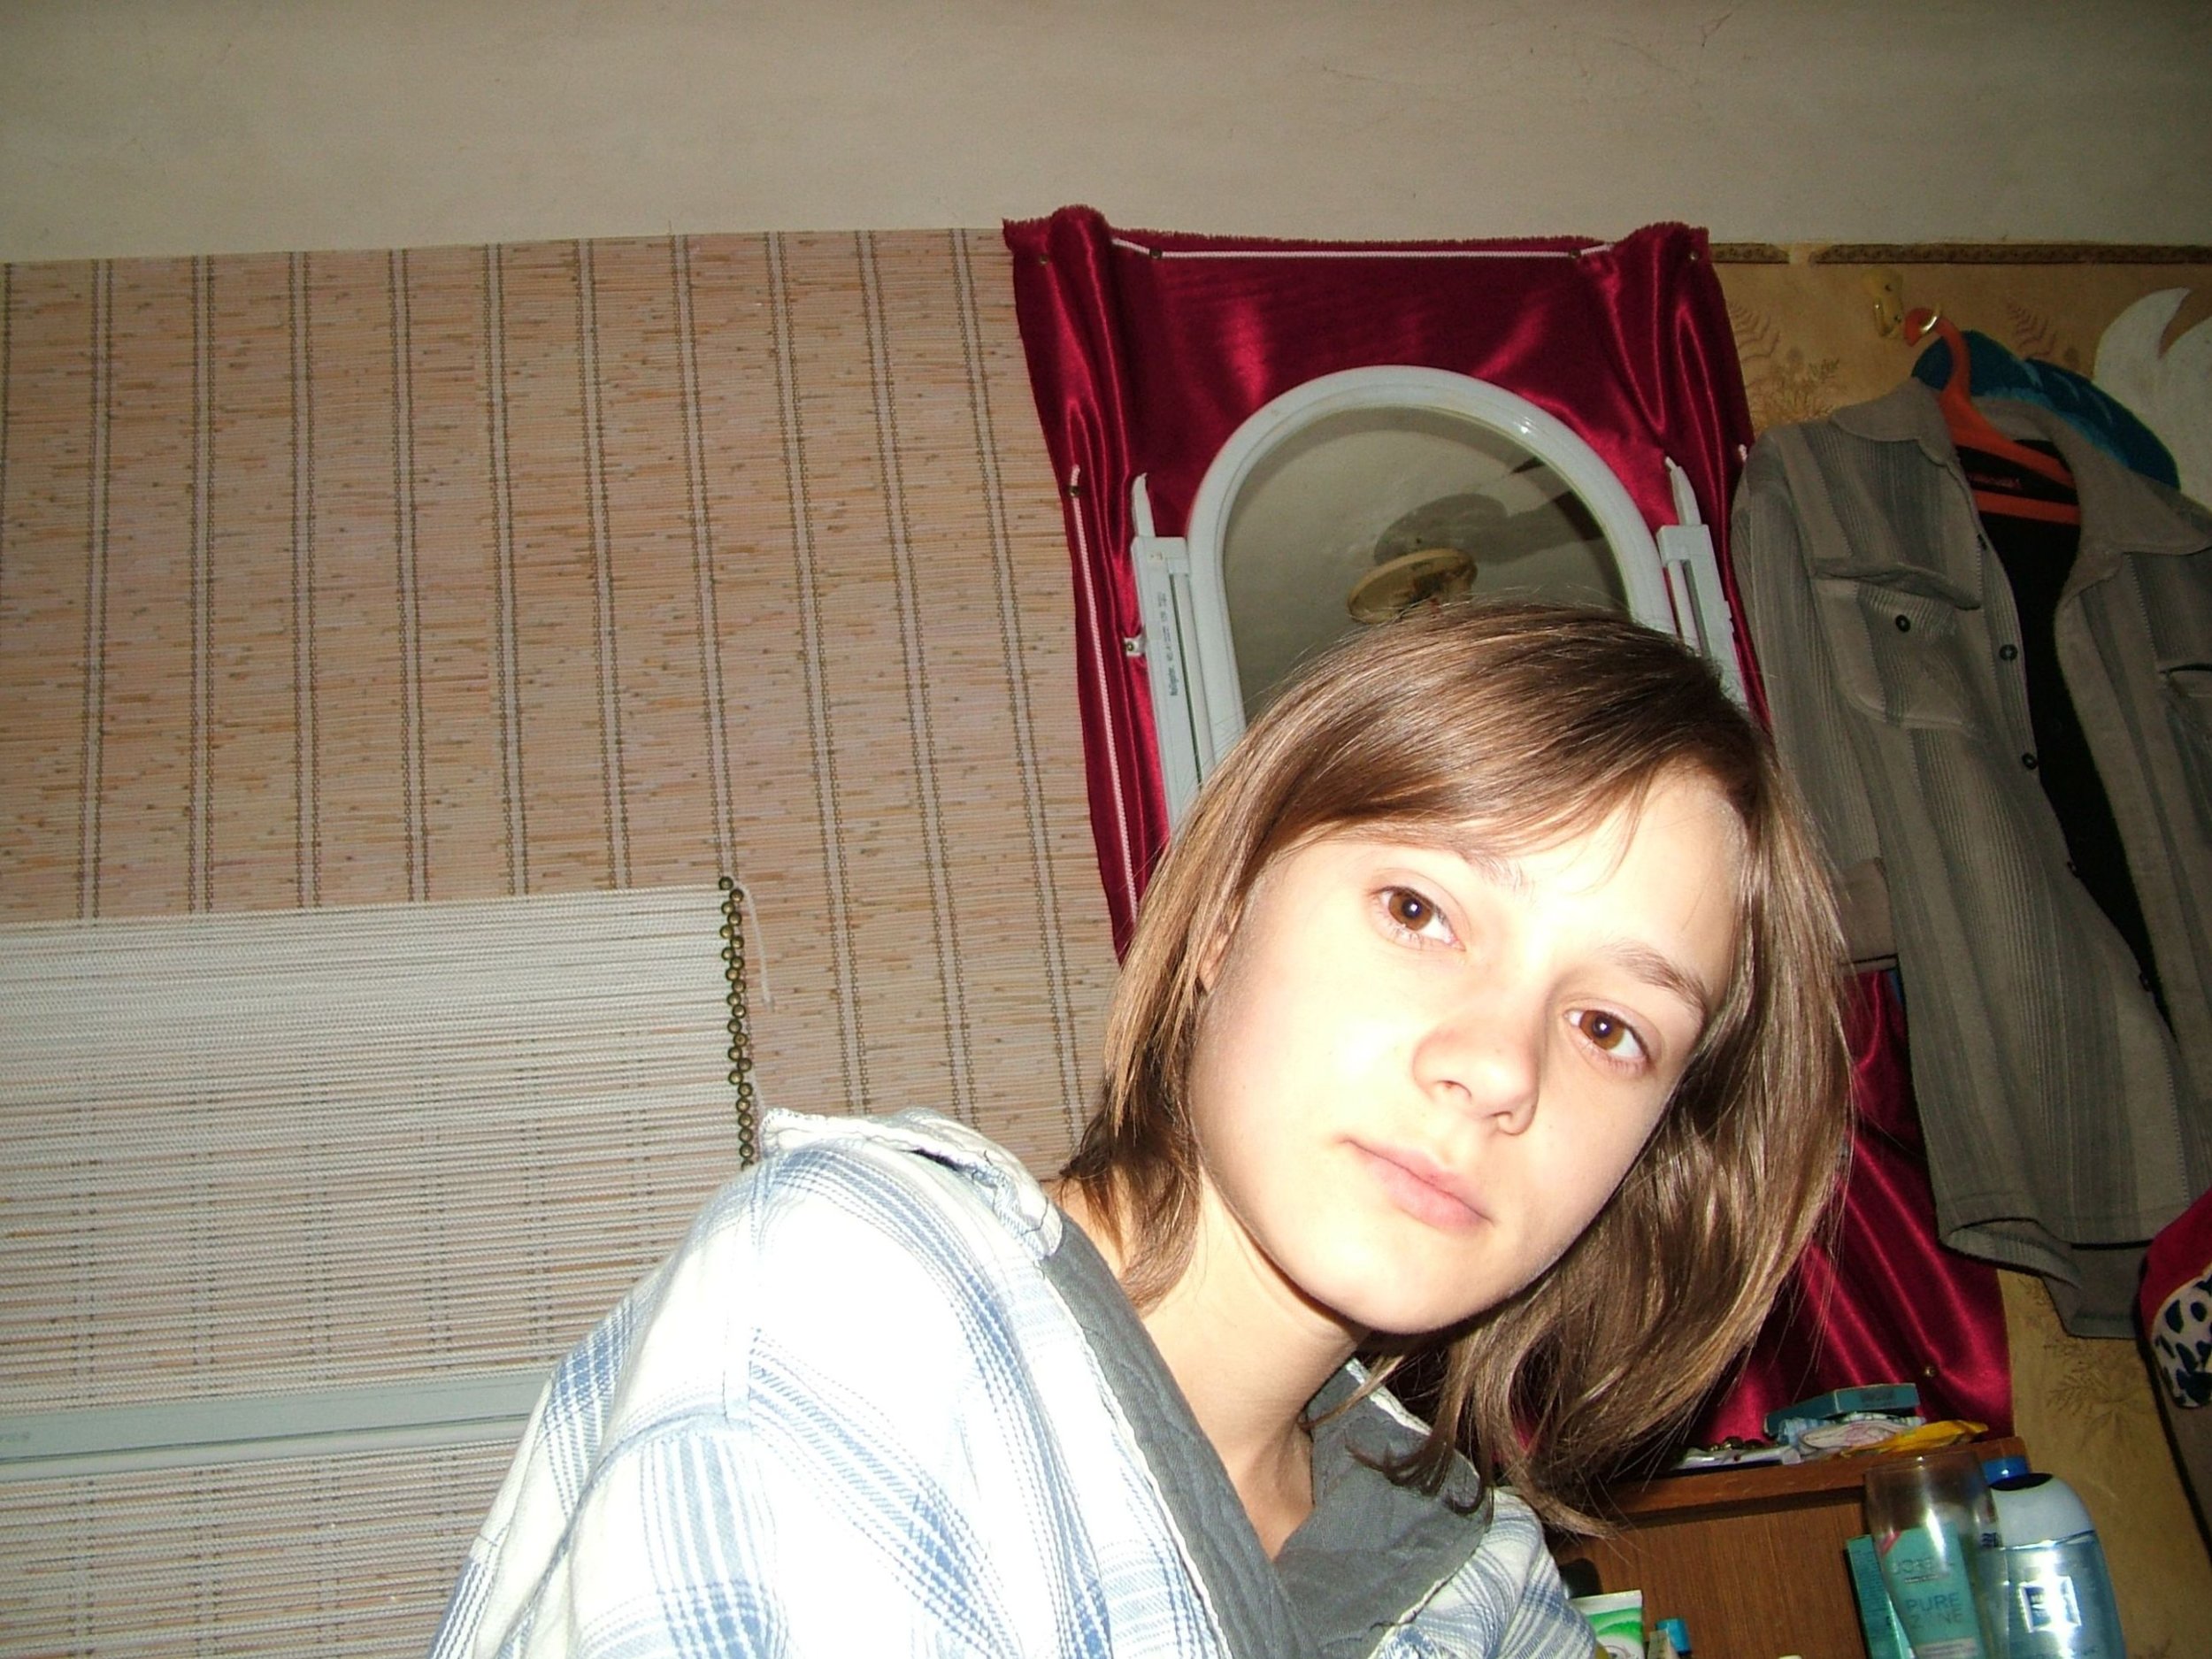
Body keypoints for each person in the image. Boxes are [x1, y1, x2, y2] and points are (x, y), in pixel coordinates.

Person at [429, 602, 1852, 1658]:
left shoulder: (1478, 1581)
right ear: (1225, 920)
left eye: (1610, 1028)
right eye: (1419, 909)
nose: (1498, 1068)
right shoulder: (858, 1301)